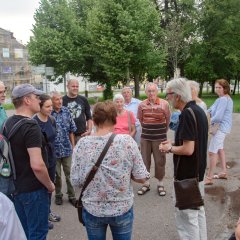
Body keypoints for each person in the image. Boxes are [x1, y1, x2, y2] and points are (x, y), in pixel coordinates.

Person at [71, 101, 149, 240]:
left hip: (92, 209)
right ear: (115, 119)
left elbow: (76, 181)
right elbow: (142, 178)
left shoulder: (82, 144)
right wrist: (124, 173)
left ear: (94, 120)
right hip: (122, 208)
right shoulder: (127, 141)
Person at [159, 78, 208, 240]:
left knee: (187, 219)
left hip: (187, 176)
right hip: (197, 174)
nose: (167, 98)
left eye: (168, 94)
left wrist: (170, 148)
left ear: (177, 96)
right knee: (198, 214)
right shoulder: (198, 109)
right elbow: (193, 140)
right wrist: (173, 142)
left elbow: (188, 149)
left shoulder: (187, 113)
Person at [5, 84, 55, 239]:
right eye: (36, 97)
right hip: (33, 190)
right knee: (38, 233)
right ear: (27, 100)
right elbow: (37, 165)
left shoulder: (7, 123)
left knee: (25, 233)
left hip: (16, 187)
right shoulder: (31, 126)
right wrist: (49, 185)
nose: (39, 100)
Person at [137, 82, 170, 196]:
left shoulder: (164, 104)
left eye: (153, 91)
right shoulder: (141, 105)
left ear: (157, 91)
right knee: (145, 160)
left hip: (160, 137)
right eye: (149, 91)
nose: (151, 93)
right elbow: (141, 120)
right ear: (146, 92)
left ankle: (160, 184)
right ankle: (146, 183)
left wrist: (162, 132)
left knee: (160, 161)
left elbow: (168, 120)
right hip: (145, 137)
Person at [33, 94, 61, 230]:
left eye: (51, 106)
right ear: (39, 106)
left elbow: (54, 138)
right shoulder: (33, 122)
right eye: (48, 106)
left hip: (51, 159)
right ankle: (42, 217)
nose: (51, 108)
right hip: (40, 161)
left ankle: (48, 212)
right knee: (41, 189)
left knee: (50, 188)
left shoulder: (51, 119)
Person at [204, 79, 233, 185]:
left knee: (212, 152)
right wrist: (206, 113)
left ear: (225, 88)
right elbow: (210, 110)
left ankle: (209, 178)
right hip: (222, 128)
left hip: (220, 128)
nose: (217, 89)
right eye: (216, 87)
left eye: (219, 87)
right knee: (220, 149)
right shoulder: (222, 99)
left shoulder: (223, 100)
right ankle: (224, 172)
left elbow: (218, 117)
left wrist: (207, 121)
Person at [51, 91, 77, 206]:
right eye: (57, 99)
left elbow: (71, 130)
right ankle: (58, 195)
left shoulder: (66, 111)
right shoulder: (48, 113)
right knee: (57, 175)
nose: (60, 101)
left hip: (67, 149)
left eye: (61, 98)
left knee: (70, 173)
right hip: (54, 151)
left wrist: (73, 146)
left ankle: (72, 195)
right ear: (51, 101)